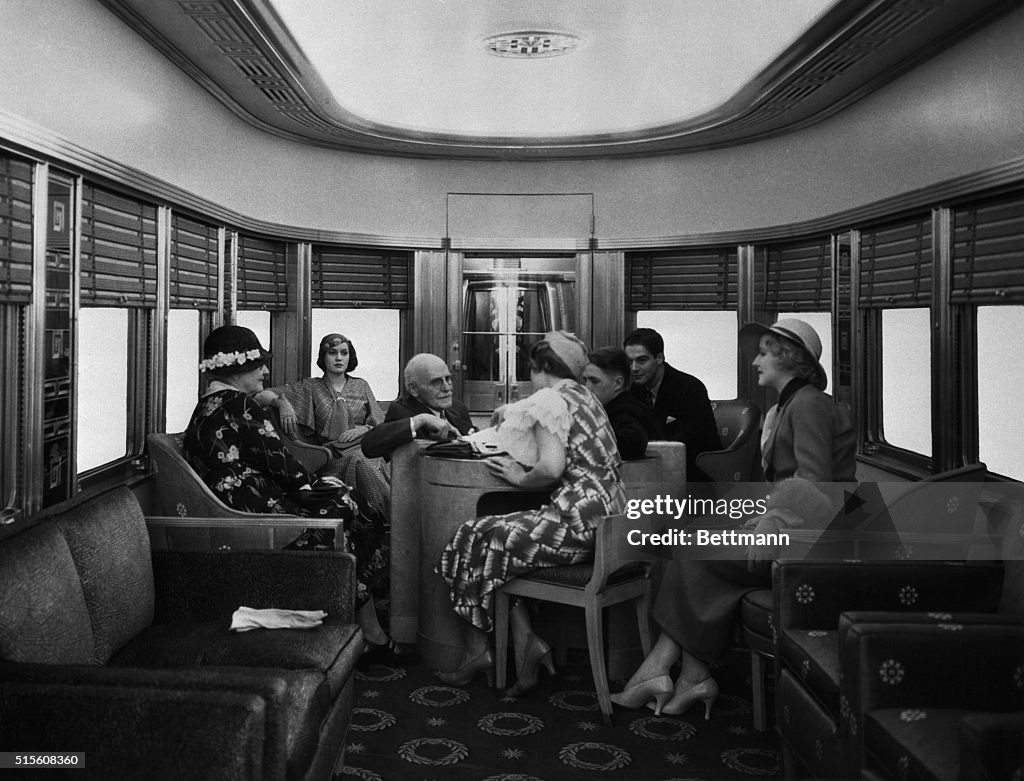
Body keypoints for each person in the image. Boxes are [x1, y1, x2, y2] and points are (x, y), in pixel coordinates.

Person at [611, 318, 855, 718]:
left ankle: (663, 671)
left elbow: (815, 488)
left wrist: (773, 520)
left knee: (692, 550)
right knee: (690, 541)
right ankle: (688, 674)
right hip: (798, 527)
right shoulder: (789, 405)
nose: (755, 362)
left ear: (789, 358)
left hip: (813, 539)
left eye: (764, 354)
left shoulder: (808, 405)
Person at [183, 326, 401, 663]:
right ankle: (363, 628)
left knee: (350, 502)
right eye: (258, 366)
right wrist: (317, 486)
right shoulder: (240, 405)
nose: (265, 372)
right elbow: (283, 465)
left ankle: (364, 626)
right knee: (356, 510)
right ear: (238, 370)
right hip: (256, 516)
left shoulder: (208, 405)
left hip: (235, 507)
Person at [434, 332, 626, 695]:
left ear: (541, 369)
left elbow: (551, 468)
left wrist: (518, 476)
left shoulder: (549, 400)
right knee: (489, 542)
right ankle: (525, 644)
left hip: (578, 520)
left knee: (472, 536)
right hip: (608, 518)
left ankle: (479, 652)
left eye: (531, 372)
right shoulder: (584, 396)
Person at [258, 333, 391, 522]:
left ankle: (385, 518)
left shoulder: (361, 386)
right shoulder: (311, 387)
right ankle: (387, 517)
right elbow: (261, 395)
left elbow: (381, 423)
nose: (339, 358)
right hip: (331, 455)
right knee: (358, 460)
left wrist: (362, 430)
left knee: (377, 460)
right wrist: (282, 403)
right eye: (332, 353)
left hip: (365, 447)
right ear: (323, 356)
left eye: (344, 353)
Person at [623, 328, 721, 483]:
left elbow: (693, 442)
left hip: (694, 473)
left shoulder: (689, 388)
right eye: (629, 362)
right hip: (650, 469)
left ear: (659, 358)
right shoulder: (632, 390)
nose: (634, 368)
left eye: (642, 360)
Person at [361, 353, 475, 460]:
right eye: (437, 383)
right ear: (413, 389)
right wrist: (422, 419)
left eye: (448, 379)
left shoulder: (457, 407)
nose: (447, 388)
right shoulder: (401, 411)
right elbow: (369, 446)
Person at [581, 347, 664, 460]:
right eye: (585, 380)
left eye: (594, 381)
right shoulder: (627, 406)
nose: (587, 387)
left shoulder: (626, 413)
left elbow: (632, 442)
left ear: (618, 383)